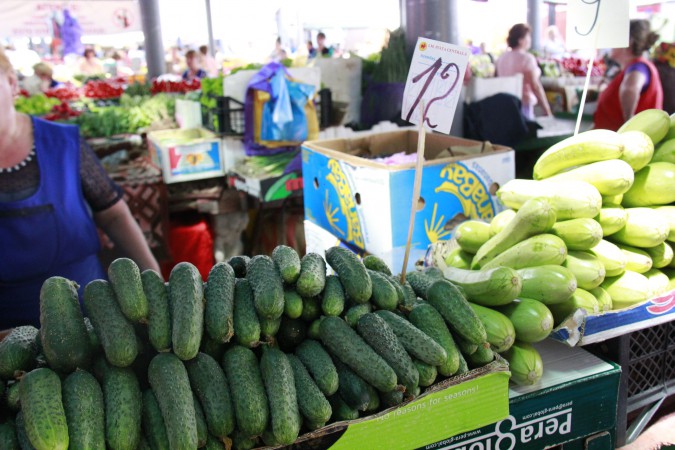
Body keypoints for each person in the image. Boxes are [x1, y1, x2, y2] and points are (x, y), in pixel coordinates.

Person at [0, 49, 160, 329]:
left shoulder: (63, 143)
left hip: (90, 314)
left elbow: (114, 215)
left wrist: (154, 280)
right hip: (6, 325)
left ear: (12, 84)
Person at [594, 20, 663, 130]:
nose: (611, 44)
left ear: (629, 41)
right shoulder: (633, 67)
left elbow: (631, 88)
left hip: (621, 137)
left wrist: (628, 121)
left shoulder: (638, 67)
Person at [496, 23, 553, 120]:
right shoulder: (527, 58)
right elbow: (535, 86)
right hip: (523, 105)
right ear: (520, 40)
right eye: (528, 36)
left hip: (505, 104)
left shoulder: (501, 58)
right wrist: (547, 110)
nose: (530, 39)